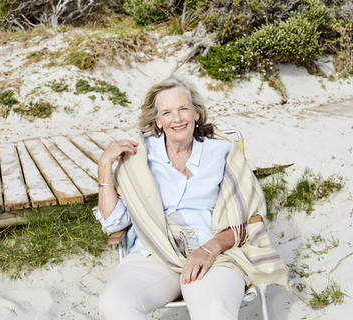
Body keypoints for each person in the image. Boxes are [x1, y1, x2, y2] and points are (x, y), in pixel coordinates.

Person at [96, 77, 288, 320]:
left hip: (213, 254)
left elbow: (248, 218)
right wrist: (104, 165)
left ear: (196, 113)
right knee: (114, 303)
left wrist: (208, 250)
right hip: (153, 253)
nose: (177, 119)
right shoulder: (138, 156)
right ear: (157, 120)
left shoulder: (222, 152)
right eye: (167, 112)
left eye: (183, 109)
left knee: (215, 311)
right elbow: (114, 223)